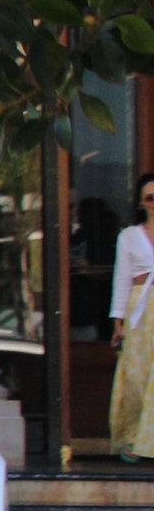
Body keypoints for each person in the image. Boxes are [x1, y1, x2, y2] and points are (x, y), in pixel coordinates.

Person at [108, 173, 154, 461]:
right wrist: (118, 321)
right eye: (150, 197)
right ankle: (131, 437)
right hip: (140, 309)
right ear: (141, 203)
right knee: (137, 377)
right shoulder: (128, 236)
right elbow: (122, 279)